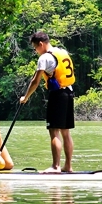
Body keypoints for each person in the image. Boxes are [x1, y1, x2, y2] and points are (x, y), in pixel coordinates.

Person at [20, 31, 75, 173]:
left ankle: (56, 167)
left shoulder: (45, 57)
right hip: (69, 92)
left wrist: (25, 97)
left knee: (54, 131)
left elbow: (35, 81)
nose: (36, 51)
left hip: (58, 95)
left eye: (35, 48)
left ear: (41, 44)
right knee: (66, 133)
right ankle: (68, 166)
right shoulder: (61, 51)